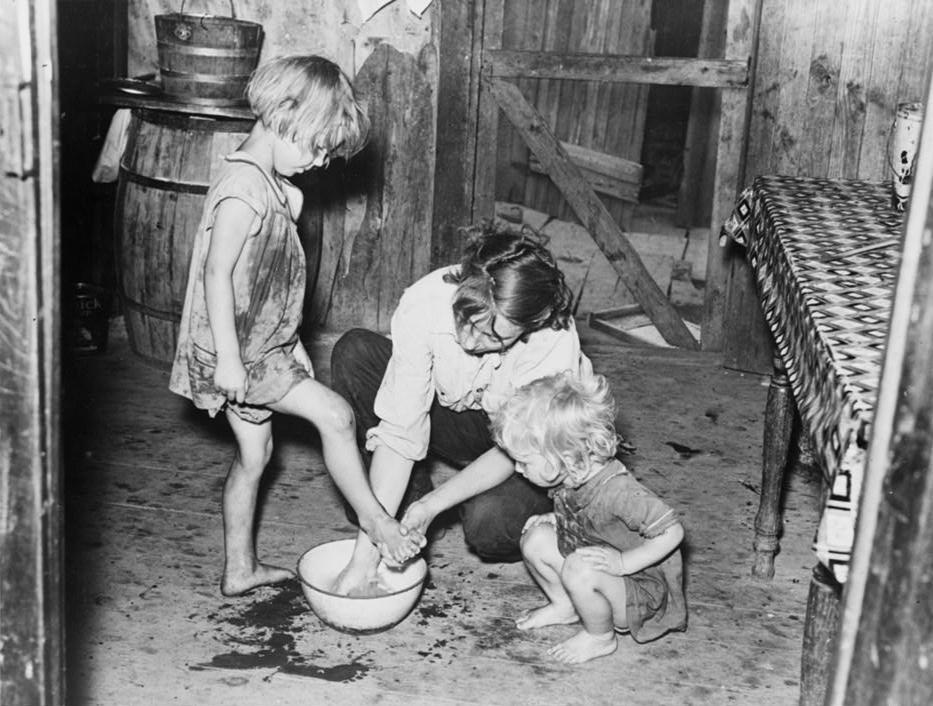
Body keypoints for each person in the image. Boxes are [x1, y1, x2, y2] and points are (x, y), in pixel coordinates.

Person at [169, 55, 423, 597]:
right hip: (234, 353)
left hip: (264, 346)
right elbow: (216, 274)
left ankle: (239, 569)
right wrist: (234, 360)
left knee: (255, 457)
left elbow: (275, 283)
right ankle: (377, 522)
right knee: (335, 416)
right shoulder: (243, 191)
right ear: (285, 113)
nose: (319, 161)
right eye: (316, 146)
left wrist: (292, 348)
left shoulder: (283, 190)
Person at [331, 226, 593, 591]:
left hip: (526, 449)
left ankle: (545, 517)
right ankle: (408, 497)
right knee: (355, 353)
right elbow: (400, 429)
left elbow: (513, 450)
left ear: (530, 326)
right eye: (465, 321)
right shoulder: (428, 300)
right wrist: (366, 552)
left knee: (489, 523)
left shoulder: (551, 343)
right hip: (466, 419)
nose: (469, 341)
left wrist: (433, 507)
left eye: (493, 336)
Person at [490, 371, 686, 664]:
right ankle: (565, 605)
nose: (517, 469)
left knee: (578, 567)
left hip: (640, 591)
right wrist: (557, 519)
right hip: (601, 565)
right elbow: (589, 517)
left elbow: (673, 532)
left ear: (564, 456)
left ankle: (600, 637)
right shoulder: (571, 474)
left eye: (524, 461)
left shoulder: (618, 490)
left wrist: (623, 563)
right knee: (535, 539)